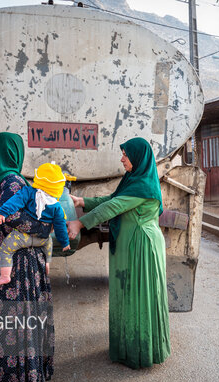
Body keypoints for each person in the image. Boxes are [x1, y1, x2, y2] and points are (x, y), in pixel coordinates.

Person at [67, 137, 170, 369]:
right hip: (131, 246)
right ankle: (128, 346)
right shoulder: (134, 180)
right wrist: (83, 200)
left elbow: (114, 207)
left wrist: (80, 224)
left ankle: (140, 352)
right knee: (130, 295)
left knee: (139, 296)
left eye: (126, 154)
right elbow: (112, 199)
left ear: (138, 158)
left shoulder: (144, 186)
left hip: (141, 247)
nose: (122, 158)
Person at [0, 132, 53, 382]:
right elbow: (14, 217)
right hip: (18, 264)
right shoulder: (13, 181)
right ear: (13, 153)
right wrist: (44, 228)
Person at [0, 162, 72, 288]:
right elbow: (60, 227)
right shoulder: (57, 207)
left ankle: (5, 276)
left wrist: (3, 212)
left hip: (23, 237)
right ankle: (47, 264)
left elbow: (15, 201)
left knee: (6, 248)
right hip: (42, 240)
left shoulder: (29, 192)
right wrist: (65, 242)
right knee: (49, 244)